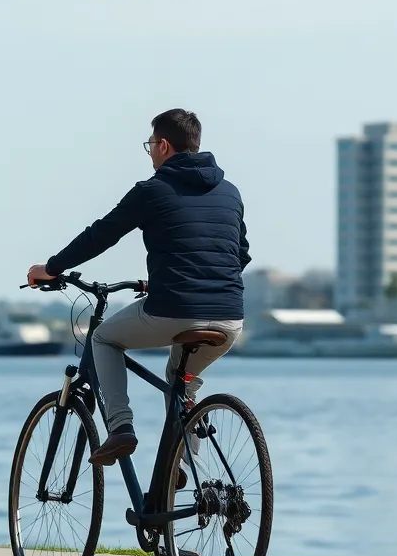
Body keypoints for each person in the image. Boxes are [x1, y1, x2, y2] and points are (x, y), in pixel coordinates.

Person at [26, 108, 250, 466]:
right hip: (229, 319)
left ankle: (120, 428)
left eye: (150, 146)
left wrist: (51, 268)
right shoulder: (230, 192)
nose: (151, 154)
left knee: (103, 338)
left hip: (173, 311)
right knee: (182, 382)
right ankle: (179, 473)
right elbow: (240, 255)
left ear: (163, 145)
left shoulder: (152, 190)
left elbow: (102, 234)